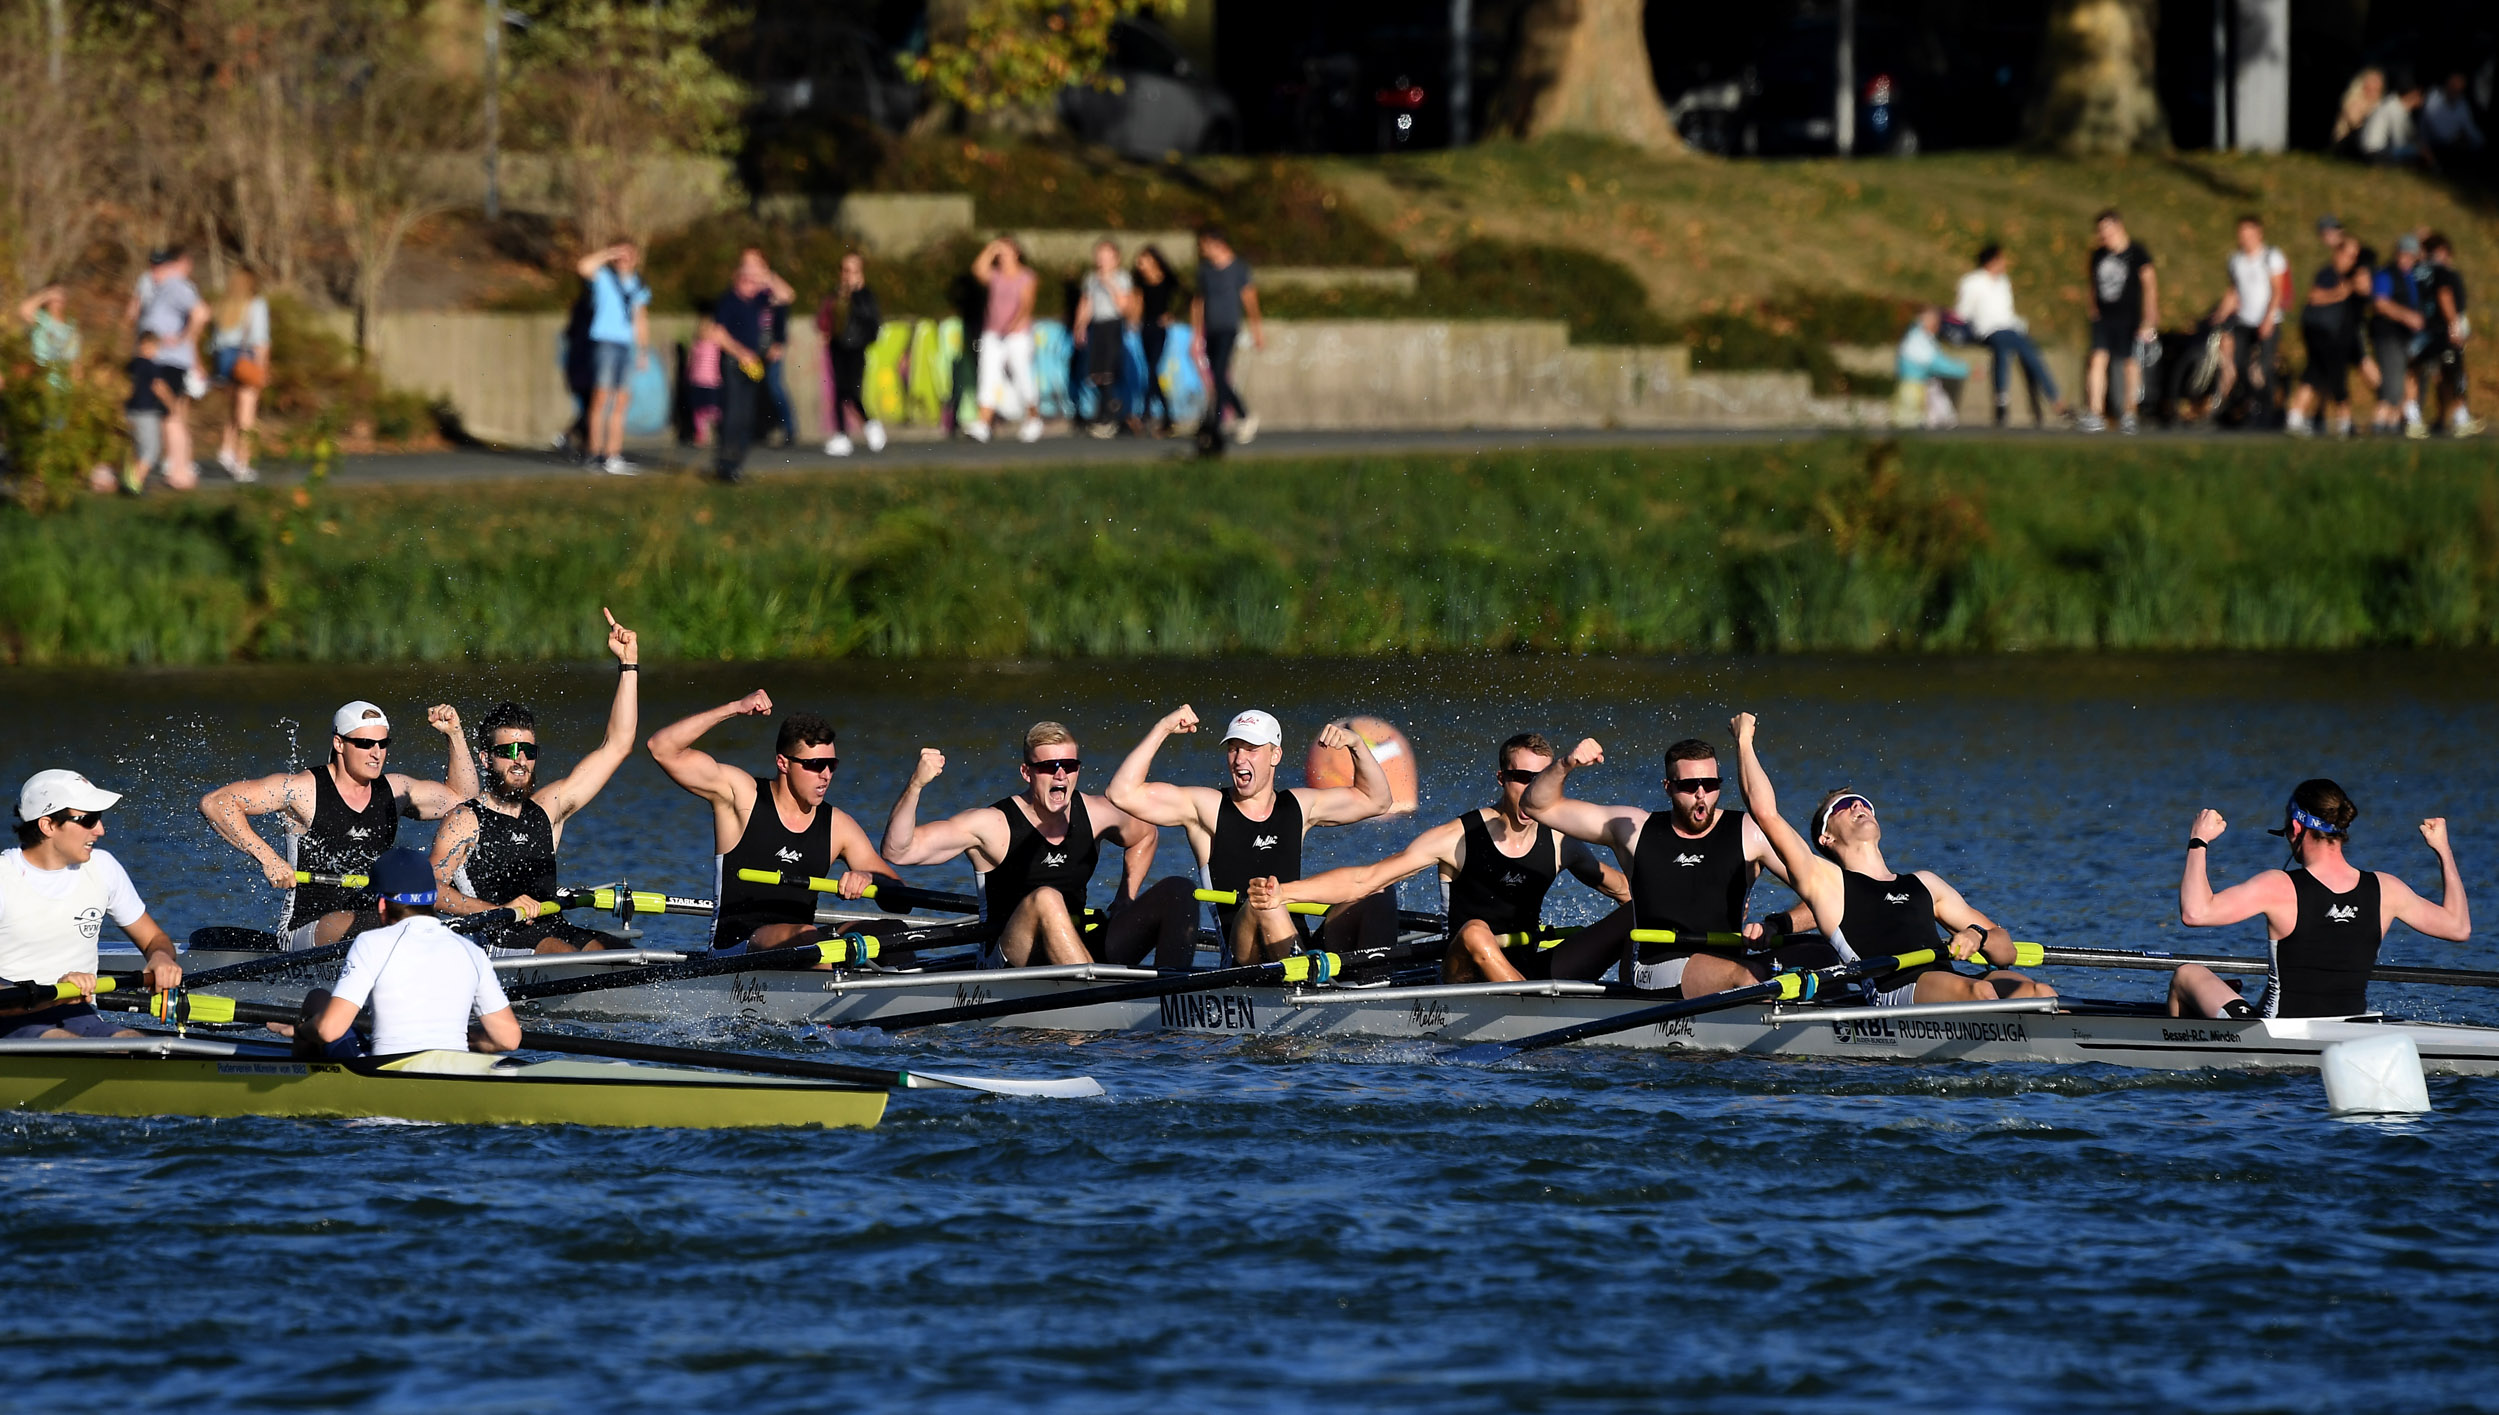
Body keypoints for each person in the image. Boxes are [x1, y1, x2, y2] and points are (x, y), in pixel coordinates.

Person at [1247, 733, 1629, 984]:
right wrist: (1287, 893)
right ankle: (1533, 1007)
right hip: (1464, 972)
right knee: (1477, 931)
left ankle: (1644, 989)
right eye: (1521, 778)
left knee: (1637, 913)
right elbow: (1368, 879)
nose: (1530, 790)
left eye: (1540, 778)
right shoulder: (1458, 837)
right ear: (1501, 778)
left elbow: (1627, 891)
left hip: (1530, 966)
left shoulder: (1562, 841)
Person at [1730, 713, 2053, 1006]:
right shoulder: (1827, 883)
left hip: (1952, 985)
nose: (1858, 807)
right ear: (1826, 838)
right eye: (1842, 807)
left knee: (2039, 992)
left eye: (1862, 802)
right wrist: (1744, 741)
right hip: (1895, 989)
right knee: (1982, 993)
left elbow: (2005, 951)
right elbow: (1765, 813)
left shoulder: (1925, 883)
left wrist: (1977, 936)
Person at [1523, 734, 1825, 998]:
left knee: (1823, 954)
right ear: (1668, 787)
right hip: (1655, 965)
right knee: (1748, 978)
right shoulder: (1633, 828)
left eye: (1709, 784)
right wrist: (1567, 763)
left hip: (1729, 965)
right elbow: (1537, 805)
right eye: (1689, 785)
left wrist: (1779, 924)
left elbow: (1824, 894)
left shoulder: (1750, 833)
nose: (1701, 794)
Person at [882, 723, 1193, 968]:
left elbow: (1146, 834)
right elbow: (898, 851)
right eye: (1049, 767)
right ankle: (1096, 997)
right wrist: (917, 784)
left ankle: (1173, 998)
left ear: (1078, 770)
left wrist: (1126, 897)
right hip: (1011, 957)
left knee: (1180, 890)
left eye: (1069, 766)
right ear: (1026, 772)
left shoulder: (1097, 813)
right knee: (1045, 898)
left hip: (1079, 944)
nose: (1060, 774)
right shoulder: (993, 825)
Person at [1107, 705, 1393, 965]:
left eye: (1251, 748)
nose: (1239, 759)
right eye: (1233, 748)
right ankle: (1311, 982)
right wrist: (1163, 728)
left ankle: (1372, 986)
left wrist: (1356, 745)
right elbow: (1121, 793)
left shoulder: (1300, 806)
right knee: (1265, 902)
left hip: (1298, 947)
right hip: (1244, 957)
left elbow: (1377, 800)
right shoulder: (1206, 808)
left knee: (1378, 890)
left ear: (1275, 755)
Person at [428, 610, 641, 954]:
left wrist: (629, 666)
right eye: (509, 750)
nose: (520, 759)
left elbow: (616, 746)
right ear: (485, 759)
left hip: (552, 929)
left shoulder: (547, 809)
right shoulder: (464, 820)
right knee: (566, 953)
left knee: (622, 956)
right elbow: (431, 888)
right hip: (495, 937)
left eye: (527, 750)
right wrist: (498, 911)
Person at [2165, 781, 2468, 1021]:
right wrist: (2443, 849)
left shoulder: (2278, 886)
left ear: (2296, 828)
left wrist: (2198, 840)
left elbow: (2195, 912)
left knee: (2188, 973)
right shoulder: (2387, 888)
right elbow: (2458, 928)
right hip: (2351, 1030)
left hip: (2279, 1032)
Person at [200, 700, 478, 950]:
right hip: (306, 929)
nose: (376, 753)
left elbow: (464, 803)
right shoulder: (303, 790)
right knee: (389, 922)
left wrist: (455, 735)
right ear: (339, 744)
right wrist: (268, 858)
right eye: (366, 744)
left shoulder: (394, 791)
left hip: (379, 924)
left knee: (414, 921)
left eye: (383, 744)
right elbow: (217, 803)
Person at [646, 691, 901, 953]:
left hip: (803, 947)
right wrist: (734, 708)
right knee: (807, 938)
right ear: (783, 763)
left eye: (831, 765)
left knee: (893, 934)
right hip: (735, 949)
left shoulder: (838, 826)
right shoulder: (741, 796)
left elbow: (899, 898)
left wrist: (868, 877)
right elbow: (662, 748)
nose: (825, 775)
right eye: (815, 765)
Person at [1, 770, 182, 1040]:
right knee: (67, 1045)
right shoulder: (5, 877)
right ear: (48, 825)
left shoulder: (103, 867)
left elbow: (154, 938)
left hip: (80, 1014)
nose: (100, 830)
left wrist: (161, 958)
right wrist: (54, 997)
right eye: (88, 819)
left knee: (135, 1043)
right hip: (9, 1020)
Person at [307, 848, 520, 1058]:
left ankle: (296, 1071)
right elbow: (508, 1039)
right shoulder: (471, 951)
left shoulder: (370, 943)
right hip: (452, 1072)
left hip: (389, 1077)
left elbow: (329, 1030)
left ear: (382, 905)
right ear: (432, 899)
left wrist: (301, 1030)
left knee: (317, 998)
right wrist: (463, 1040)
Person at [700, 247, 794, 483]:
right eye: (747, 277)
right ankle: (725, 465)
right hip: (734, 363)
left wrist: (766, 275)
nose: (751, 283)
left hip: (753, 363)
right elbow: (717, 333)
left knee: (747, 416)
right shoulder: (729, 300)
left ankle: (737, 465)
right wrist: (741, 353)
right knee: (733, 414)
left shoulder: (758, 299)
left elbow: (786, 295)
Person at [1952, 245, 2065, 427]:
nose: (2005, 263)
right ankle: (2055, 401)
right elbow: (1962, 313)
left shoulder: (2004, 282)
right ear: (1992, 261)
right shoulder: (1972, 282)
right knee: (2015, 347)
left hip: (2009, 329)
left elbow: (2007, 313)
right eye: (2001, 259)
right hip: (1986, 330)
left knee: (2025, 353)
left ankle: (2004, 403)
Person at [128, 248, 208, 489]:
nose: (155, 270)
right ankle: (180, 469)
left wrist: (183, 338)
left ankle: (179, 472)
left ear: (173, 266)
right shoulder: (160, 287)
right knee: (171, 416)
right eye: (153, 266)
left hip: (169, 362)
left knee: (170, 416)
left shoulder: (176, 286)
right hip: (165, 360)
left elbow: (202, 313)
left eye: (161, 266)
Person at [575, 241, 650, 477]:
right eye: (621, 254)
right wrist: (608, 253)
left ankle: (612, 454)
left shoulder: (638, 285)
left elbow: (640, 319)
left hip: (626, 346)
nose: (625, 258)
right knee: (601, 398)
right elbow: (583, 267)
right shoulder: (604, 279)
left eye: (630, 254)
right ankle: (594, 453)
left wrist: (643, 351)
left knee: (621, 401)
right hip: (605, 343)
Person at [2081, 209, 2156, 434]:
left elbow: (2150, 286)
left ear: (2119, 227)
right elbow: (2093, 285)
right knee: (2097, 359)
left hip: (2129, 318)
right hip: (2104, 318)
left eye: (2107, 229)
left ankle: (2129, 412)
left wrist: (2149, 318)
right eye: (2100, 231)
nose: (2104, 235)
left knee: (2130, 364)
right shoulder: (2098, 255)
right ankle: (2095, 412)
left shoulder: (2137, 253)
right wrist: (2093, 308)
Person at [2209, 215, 2289, 423]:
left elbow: (2277, 290)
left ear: (2258, 234)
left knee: (2263, 367)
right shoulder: (2236, 260)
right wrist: (2220, 314)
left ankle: (2269, 410)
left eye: (2249, 234)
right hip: (2244, 321)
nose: (2245, 238)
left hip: (2267, 319)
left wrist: (2269, 318)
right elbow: (2234, 290)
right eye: (2241, 234)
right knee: (2240, 364)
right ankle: (2253, 405)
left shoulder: (2271, 256)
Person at [2286, 219, 2362, 438]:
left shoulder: (2348, 276)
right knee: (2334, 371)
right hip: (2318, 328)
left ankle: (2295, 416)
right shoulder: (2328, 274)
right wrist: (2342, 291)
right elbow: (2314, 296)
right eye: (2350, 255)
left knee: (2314, 372)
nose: (2353, 260)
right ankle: (2344, 421)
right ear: (2338, 254)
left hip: (2330, 331)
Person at [1191, 226, 1263, 447]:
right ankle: (1243, 415)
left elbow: (1249, 298)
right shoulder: (1205, 271)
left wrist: (1256, 329)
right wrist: (1196, 334)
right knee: (1217, 374)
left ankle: (1219, 419)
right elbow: (1198, 302)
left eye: (1205, 245)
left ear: (1218, 244)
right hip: (1210, 328)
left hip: (1228, 328)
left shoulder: (1238, 268)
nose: (1203, 251)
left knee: (1221, 370)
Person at [969, 238, 1042, 444]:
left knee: (1022, 375)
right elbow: (977, 269)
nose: (1002, 256)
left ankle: (1033, 418)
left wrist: (1015, 322)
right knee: (988, 375)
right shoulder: (995, 276)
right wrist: (991, 248)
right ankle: (983, 423)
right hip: (992, 333)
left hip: (1017, 334)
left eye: (1006, 251)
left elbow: (1027, 303)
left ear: (1016, 252)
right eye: (1000, 253)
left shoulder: (1027, 276)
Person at [819, 252, 885, 457]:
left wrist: (856, 294)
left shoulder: (865, 296)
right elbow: (825, 317)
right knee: (838, 392)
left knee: (852, 391)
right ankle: (841, 435)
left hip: (856, 347)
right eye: (845, 271)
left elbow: (871, 320)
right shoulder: (835, 294)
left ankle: (870, 423)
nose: (848, 276)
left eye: (853, 271)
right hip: (837, 346)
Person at [209, 268, 271, 483]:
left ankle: (226, 450)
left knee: (234, 408)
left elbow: (215, 340)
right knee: (247, 416)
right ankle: (242, 465)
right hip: (246, 359)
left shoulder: (225, 304)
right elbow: (260, 339)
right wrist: (262, 368)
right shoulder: (256, 304)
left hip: (224, 360)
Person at [2419, 233, 2483, 437]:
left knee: (2443, 375)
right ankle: (2459, 417)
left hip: (2434, 331)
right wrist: (2454, 325)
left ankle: (2443, 417)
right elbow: (2444, 297)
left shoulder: (2425, 273)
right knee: (2455, 373)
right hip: (2446, 329)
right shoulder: (2443, 273)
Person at [2368, 233, 2431, 437]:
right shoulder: (2387, 274)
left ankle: (2393, 424)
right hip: (2388, 334)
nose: (2408, 259)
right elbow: (2381, 303)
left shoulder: (2412, 275)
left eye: (2411, 255)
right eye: (2404, 254)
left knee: (2405, 381)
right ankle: (2379, 423)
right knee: (2393, 382)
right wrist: (2407, 317)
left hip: (2406, 336)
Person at [1074, 240, 1137, 440]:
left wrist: (1108, 282)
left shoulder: (1122, 277)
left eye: (1106, 255)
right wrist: (1080, 325)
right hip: (1097, 325)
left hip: (1113, 324)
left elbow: (1123, 306)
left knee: (1109, 369)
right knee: (1096, 372)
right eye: (1099, 255)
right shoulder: (1090, 278)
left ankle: (1107, 414)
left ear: (1115, 258)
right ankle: (1110, 404)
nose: (1101, 260)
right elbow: (1087, 303)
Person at [1893, 306, 1968, 429]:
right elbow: (1936, 363)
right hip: (1912, 386)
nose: (1937, 326)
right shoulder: (1918, 340)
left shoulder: (1920, 337)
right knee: (1907, 421)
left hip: (1919, 385)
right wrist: (1965, 369)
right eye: (1936, 322)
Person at [1133, 246, 1182, 435]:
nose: (1140, 266)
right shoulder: (1140, 282)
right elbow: (1138, 306)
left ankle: (1147, 415)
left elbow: (1188, 297)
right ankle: (1166, 417)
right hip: (1145, 328)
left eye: (1142, 261)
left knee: (1153, 370)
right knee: (1150, 372)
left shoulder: (1168, 280)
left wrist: (1173, 314)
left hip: (1160, 329)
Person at [119, 332, 173, 496]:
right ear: (148, 346)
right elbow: (159, 387)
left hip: (129, 410)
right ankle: (134, 483)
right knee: (151, 450)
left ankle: (129, 479)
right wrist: (171, 403)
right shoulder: (151, 366)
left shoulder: (130, 365)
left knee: (135, 448)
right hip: (146, 411)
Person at [17, 286, 81, 396]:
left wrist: (76, 383)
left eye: (61, 297)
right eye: (54, 298)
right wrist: (46, 294)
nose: (58, 301)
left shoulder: (71, 326)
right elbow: (23, 310)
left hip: (63, 385)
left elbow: (75, 360)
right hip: (39, 379)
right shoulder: (42, 319)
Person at [2360, 76, 2431, 168]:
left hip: (2371, 151)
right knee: (2418, 152)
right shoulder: (2395, 109)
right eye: (2422, 96)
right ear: (2414, 94)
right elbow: (2399, 143)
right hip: (2375, 154)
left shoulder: (2393, 104)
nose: (2423, 100)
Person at [2422, 73, 2486, 170]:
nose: (2456, 93)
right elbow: (2437, 131)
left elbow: (2470, 128)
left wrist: (2481, 143)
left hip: (2453, 145)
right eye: (2454, 88)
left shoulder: (2462, 104)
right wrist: (2455, 139)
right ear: (2447, 85)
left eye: (2459, 90)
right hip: (2432, 145)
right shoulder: (2433, 98)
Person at [2331, 68, 2386, 157]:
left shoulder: (2381, 104)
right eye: (2374, 82)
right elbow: (2354, 123)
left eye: (2379, 82)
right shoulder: (2354, 101)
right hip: (2349, 141)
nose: (2377, 86)